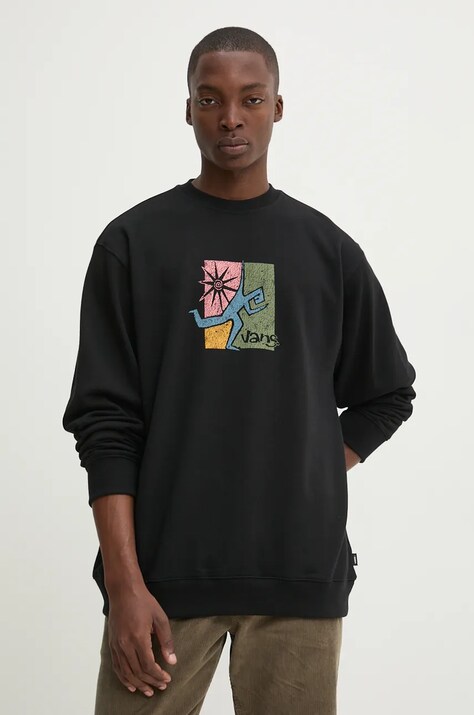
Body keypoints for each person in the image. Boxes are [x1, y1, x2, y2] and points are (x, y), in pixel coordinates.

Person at [62, 25, 417, 715]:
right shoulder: (133, 244)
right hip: (163, 581)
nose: (231, 117)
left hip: (298, 580)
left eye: (251, 99)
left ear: (277, 107)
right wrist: (125, 586)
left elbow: (388, 392)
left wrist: (310, 468)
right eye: (211, 98)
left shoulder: (328, 251)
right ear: (188, 108)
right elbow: (105, 425)